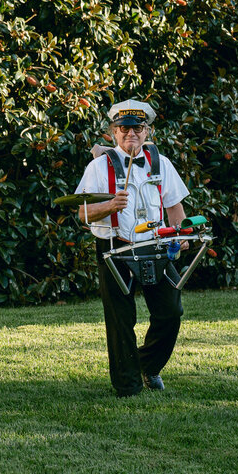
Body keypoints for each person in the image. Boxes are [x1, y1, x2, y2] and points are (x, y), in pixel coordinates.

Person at [74, 99, 191, 396]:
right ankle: (127, 385)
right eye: (124, 128)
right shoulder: (98, 167)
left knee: (170, 311)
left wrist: (181, 233)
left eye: (137, 128)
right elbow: (82, 214)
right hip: (115, 247)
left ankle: (147, 365)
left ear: (147, 131)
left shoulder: (160, 162)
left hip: (156, 245)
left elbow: (174, 206)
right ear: (113, 132)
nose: (131, 134)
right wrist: (109, 206)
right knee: (121, 320)